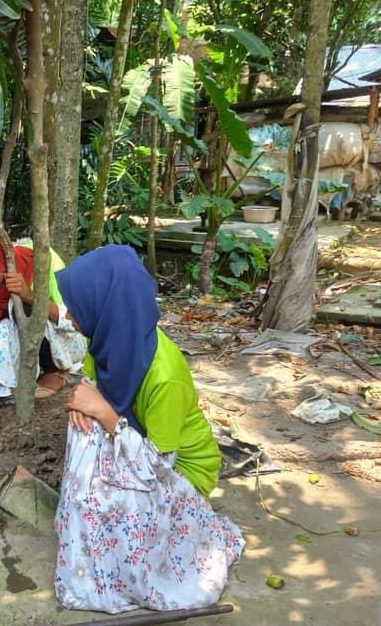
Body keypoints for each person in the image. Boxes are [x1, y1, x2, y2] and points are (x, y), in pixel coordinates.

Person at [52, 245, 244, 614]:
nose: (70, 315)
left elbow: (159, 468)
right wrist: (86, 402)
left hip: (180, 470)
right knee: (82, 432)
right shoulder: (108, 337)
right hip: (137, 442)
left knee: (105, 501)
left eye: (76, 306)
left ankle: (118, 574)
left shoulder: (165, 376)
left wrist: (105, 414)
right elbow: (91, 379)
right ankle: (87, 536)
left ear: (105, 306)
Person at [0, 214, 85, 435]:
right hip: (23, 357)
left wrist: (29, 295)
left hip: (64, 339)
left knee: (24, 309)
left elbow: (73, 320)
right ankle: (18, 382)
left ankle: (56, 371)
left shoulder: (41, 263)